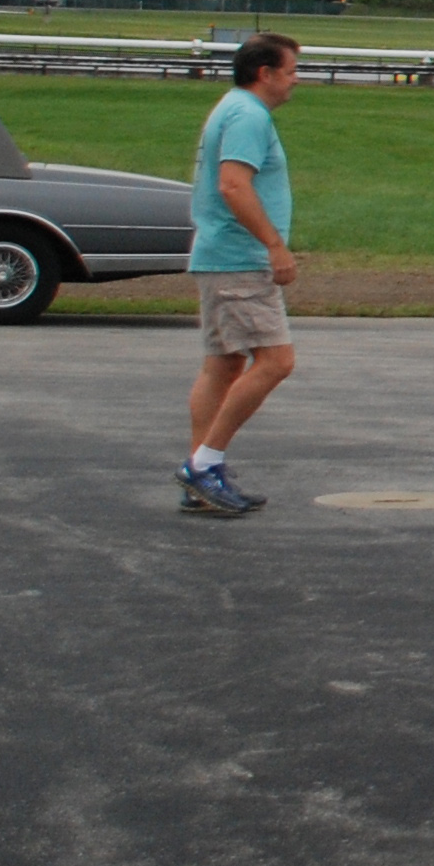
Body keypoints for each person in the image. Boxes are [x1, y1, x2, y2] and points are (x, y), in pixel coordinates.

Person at [178, 33, 302, 518]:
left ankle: (201, 473)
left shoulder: (232, 108)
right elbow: (233, 185)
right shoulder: (249, 115)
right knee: (276, 360)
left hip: (220, 256)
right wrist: (274, 245)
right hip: (239, 260)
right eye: (290, 71)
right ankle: (203, 465)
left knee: (224, 364)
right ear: (264, 73)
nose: (296, 80)